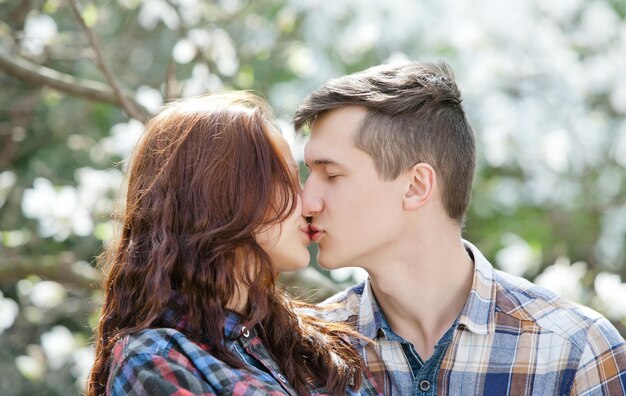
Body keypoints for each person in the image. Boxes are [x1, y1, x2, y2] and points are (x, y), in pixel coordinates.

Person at [293, 61, 626, 395]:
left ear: (415, 186)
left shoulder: (575, 352)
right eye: (310, 173)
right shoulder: (306, 353)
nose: (307, 203)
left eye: (332, 175)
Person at [87, 92, 381, 396]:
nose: (307, 203)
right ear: (224, 195)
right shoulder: (155, 359)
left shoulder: (309, 344)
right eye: (289, 181)